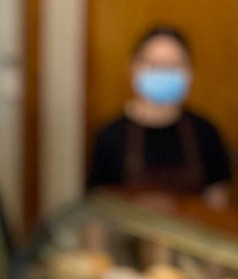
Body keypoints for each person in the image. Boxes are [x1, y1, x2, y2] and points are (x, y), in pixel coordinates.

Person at [88, 26, 232, 209]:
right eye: (154, 65)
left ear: (189, 73)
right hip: (130, 236)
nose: (163, 72)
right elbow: (99, 209)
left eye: (174, 65)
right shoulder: (110, 136)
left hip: (189, 235)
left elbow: (217, 204)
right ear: (133, 68)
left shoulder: (206, 132)